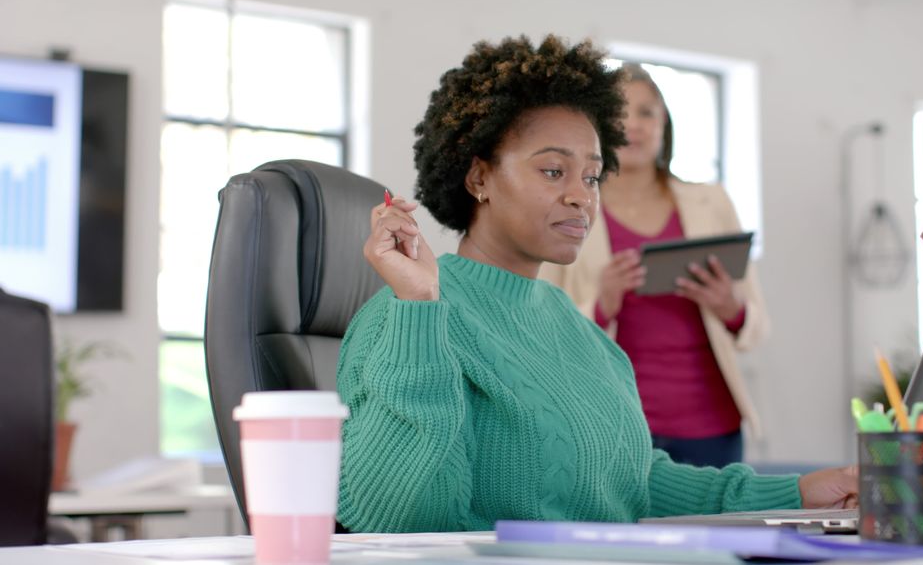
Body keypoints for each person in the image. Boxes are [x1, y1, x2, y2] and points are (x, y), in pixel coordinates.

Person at [335, 35, 856, 533]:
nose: (582, 198)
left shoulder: (580, 332)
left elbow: (636, 482)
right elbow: (395, 517)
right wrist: (420, 306)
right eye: (553, 171)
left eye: (590, 176)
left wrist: (799, 492)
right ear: (479, 179)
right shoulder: (407, 314)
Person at [540, 64, 764, 469]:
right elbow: (541, 324)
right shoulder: (568, 208)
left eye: (646, 112)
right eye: (619, 112)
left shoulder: (711, 202)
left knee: (715, 530)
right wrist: (603, 301)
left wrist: (729, 307)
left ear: (664, 124)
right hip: (615, 424)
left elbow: (755, 320)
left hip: (713, 425)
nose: (634, 125)